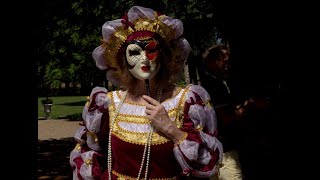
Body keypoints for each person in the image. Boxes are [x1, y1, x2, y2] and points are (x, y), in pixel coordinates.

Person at [69, 6, 223, 180]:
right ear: (124, 61)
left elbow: (207, 163)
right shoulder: (106, 104)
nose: (144, 59)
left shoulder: (188, 101)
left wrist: (171, 129)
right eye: (134, 52)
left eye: (150, 50)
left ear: (163, 56)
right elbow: (90, 156)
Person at [200, 45, 248, 180]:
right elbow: (226, 117)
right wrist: (247, 107)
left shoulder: (205, 85)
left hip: (212, 152)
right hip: (225, 152)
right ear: (212, 61)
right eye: (224, 61)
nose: (228, 65)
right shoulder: (215, 86)